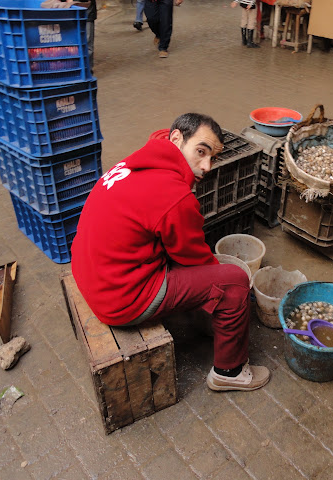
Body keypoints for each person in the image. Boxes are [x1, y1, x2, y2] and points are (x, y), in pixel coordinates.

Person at [71, 113, 271, 392]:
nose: (206, 166)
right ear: (176, 138)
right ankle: (230, 371)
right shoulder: (174, 195)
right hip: (119, 298)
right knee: (234, 280)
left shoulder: (138, 161)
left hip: (89, 272)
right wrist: (222, 283)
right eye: (200, 152)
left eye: (212, 157)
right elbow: (195, 259)